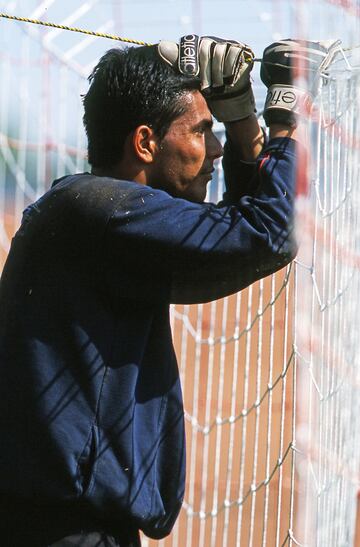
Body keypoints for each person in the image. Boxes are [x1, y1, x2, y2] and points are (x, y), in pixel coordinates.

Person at [0, 35, 312, 546]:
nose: (212, 149)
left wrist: (240, 116)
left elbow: (242, 228)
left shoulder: (97, 214)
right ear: (145, 142)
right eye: (200, 131)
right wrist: (287, 111)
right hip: (60, 531)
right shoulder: (101, 213)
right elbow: (266, 233)